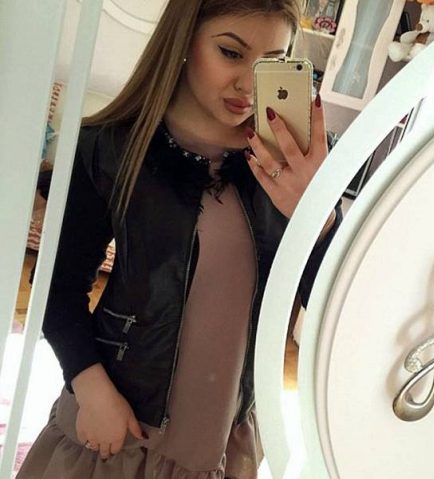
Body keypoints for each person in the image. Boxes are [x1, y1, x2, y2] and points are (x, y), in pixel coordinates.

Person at [17, 0, 342, 477]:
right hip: (118, 430)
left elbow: (335, 309)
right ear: (184, 39)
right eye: (231, 53)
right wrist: (90, 388)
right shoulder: (113, 148)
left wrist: (318, 216)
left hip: (222, 439)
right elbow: (56, 286)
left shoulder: (294, 164)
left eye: (270, 61)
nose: (247, 84)